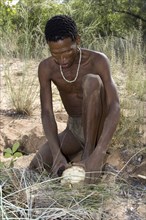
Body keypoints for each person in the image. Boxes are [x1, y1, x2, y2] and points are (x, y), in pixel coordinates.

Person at [29, 15, 120, 184]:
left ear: (77, 40)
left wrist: (99, 152)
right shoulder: (46, 68)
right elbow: (47, 113)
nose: (62, 60)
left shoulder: (98, 61)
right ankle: (81, 152)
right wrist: (57, 154)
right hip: (74, 129)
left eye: (67, 51)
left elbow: (114, 106)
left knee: (92, 81)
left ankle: (89, 153)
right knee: (37, 166)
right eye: (55, 54)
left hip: (98, 127)